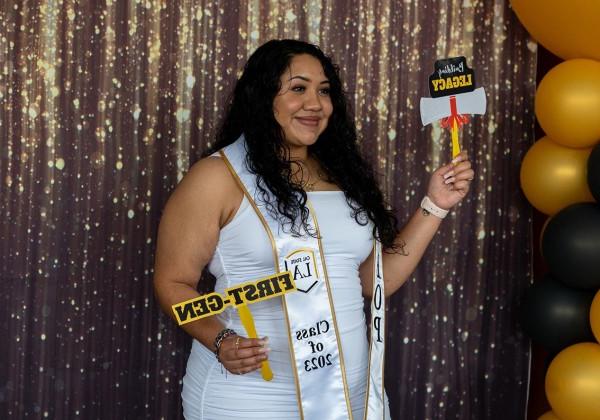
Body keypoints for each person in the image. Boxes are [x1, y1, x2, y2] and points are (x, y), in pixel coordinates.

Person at [153, 39, 474, 420]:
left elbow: (372, 283)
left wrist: (434, 204)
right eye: (298, 88)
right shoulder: (217, 177)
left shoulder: (341, 175)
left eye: (324, 91)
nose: (315, 104)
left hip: (348, 396)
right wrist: (220, 340)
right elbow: (173, 283)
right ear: (263, 97)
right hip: (252, 396)